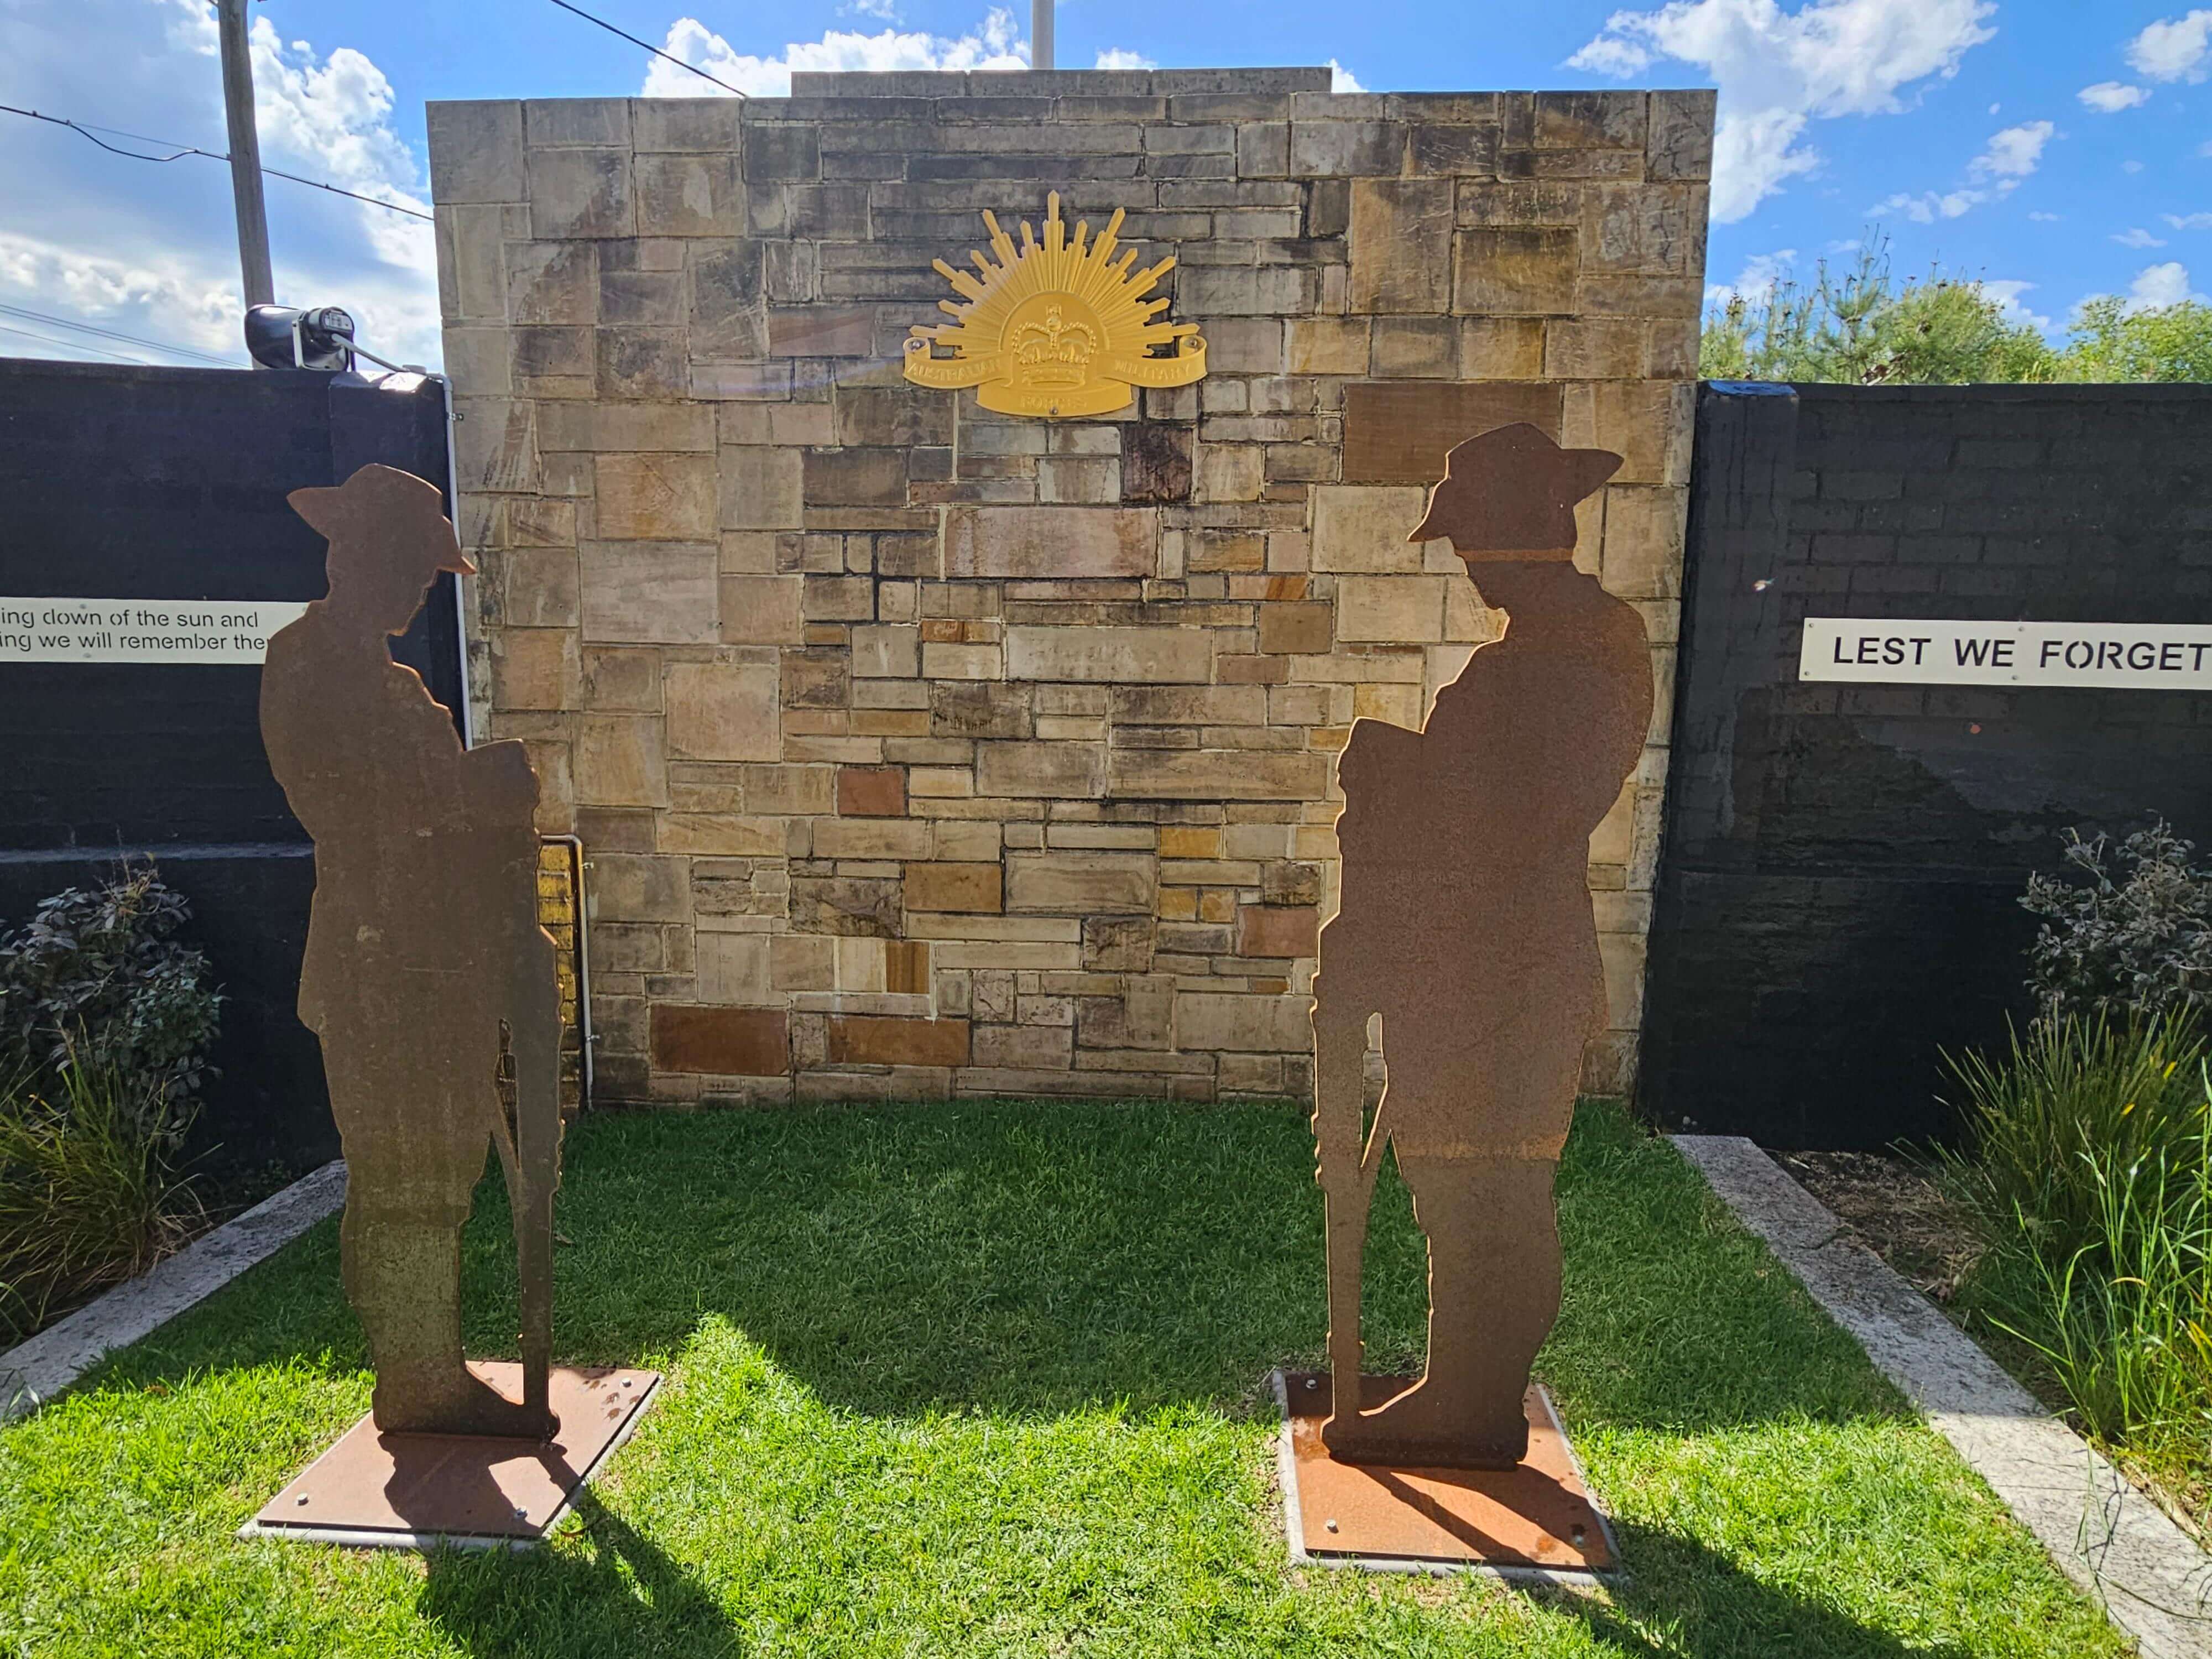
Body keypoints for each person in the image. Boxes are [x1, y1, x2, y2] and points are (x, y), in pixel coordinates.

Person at [1312, 423, 1651, 1469]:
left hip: (1497, 975)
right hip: (1476, 967)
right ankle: (1463, 1389)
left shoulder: (1569, 656)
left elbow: (1507, 823)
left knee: (1488, 1190)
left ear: (1510, 534)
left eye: (1469, 538)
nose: (1464, 562)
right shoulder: (1557, 648)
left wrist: (1389, 784)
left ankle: (1472, 1403)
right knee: (1462, 1188)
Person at [260, 464, 560, 1439]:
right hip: (381, 963)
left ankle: (423, 1362)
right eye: (417, 570)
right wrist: (480, 793)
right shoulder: (311, 665)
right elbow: (362, 813)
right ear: (366, 555)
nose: (423, 589)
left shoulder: (390, 681)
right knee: (403, 1174)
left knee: (438, 1167)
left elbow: (428, 808)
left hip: (441, 960)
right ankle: (419, 1377)